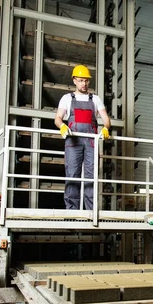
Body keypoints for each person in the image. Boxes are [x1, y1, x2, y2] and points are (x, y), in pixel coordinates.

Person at [54, 65, 111, 210]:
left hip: (91, 141)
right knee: (72, 173)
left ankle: (91, 210)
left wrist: (105, 128)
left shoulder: (95, 99)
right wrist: (62, 126)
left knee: (91, 176)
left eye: (86, 81)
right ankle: (71, 210)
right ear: (74, 80)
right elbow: (58, 118)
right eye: (80, 80)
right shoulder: (67, 98)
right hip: (73, 141)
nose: (84, 84)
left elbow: (106, 120)